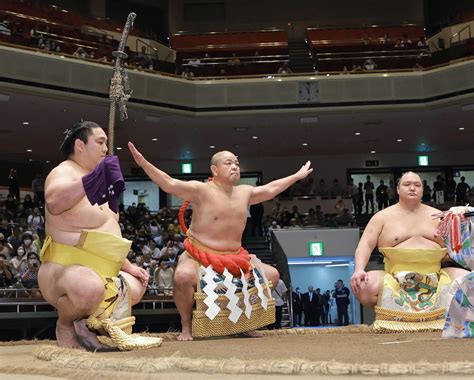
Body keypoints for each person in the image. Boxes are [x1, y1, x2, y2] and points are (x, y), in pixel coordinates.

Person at [128, 142, 313, 340]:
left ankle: (244, 323)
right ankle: (186, 326)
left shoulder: (245, 192)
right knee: (182, 276)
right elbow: (169, 183)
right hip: (199, 255)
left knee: (272, 275)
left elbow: (271, 189)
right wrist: (144, 164)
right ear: (214, 170)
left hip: (235, 258)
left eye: (237, 163)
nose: (235, 166)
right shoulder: (201, 191)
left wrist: (296, 176)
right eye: (228, 163)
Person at [38, 121, 160, 350]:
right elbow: (54, 203)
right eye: (100, 142)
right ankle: (65, 324)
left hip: (102, 266)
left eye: (106, 143)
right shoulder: (64, 172)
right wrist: (91, 180)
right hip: (65, 267)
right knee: (88, 288)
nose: (106, 148)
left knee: (135, 286)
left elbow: (106, 237)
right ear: (80, 145)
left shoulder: (101, 180)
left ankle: (85, 325)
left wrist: (128, 266)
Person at [350, 171, 469, 332]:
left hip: (436, 275)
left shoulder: (439, 216)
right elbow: (365, 245)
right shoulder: (382, 217)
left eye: (417, 185)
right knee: (363, 284)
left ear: (423, 189)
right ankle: (394, 318)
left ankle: (452, 320)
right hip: (393, 278)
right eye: (407, 184)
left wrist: (463, 224)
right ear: (398, 189)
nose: (412, 188)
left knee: (470, 281)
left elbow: (455, 251)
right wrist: (359, 269)